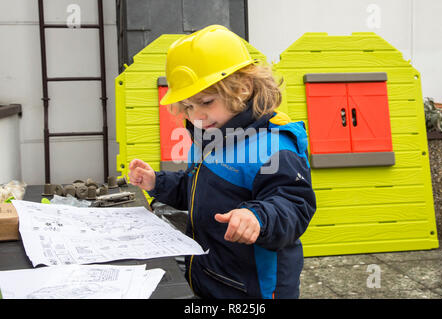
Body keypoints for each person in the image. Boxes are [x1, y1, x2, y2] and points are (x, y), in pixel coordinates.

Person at [128, 25, 316, 299]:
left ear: (242, 88)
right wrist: (157, 182)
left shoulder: (274, 145)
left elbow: (294, 205)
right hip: (209, 276)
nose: (197, 116)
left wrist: (257, 217)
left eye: (206, 102)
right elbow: (196, 189)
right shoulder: (210, 136)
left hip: (254, 289)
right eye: (189, 107)